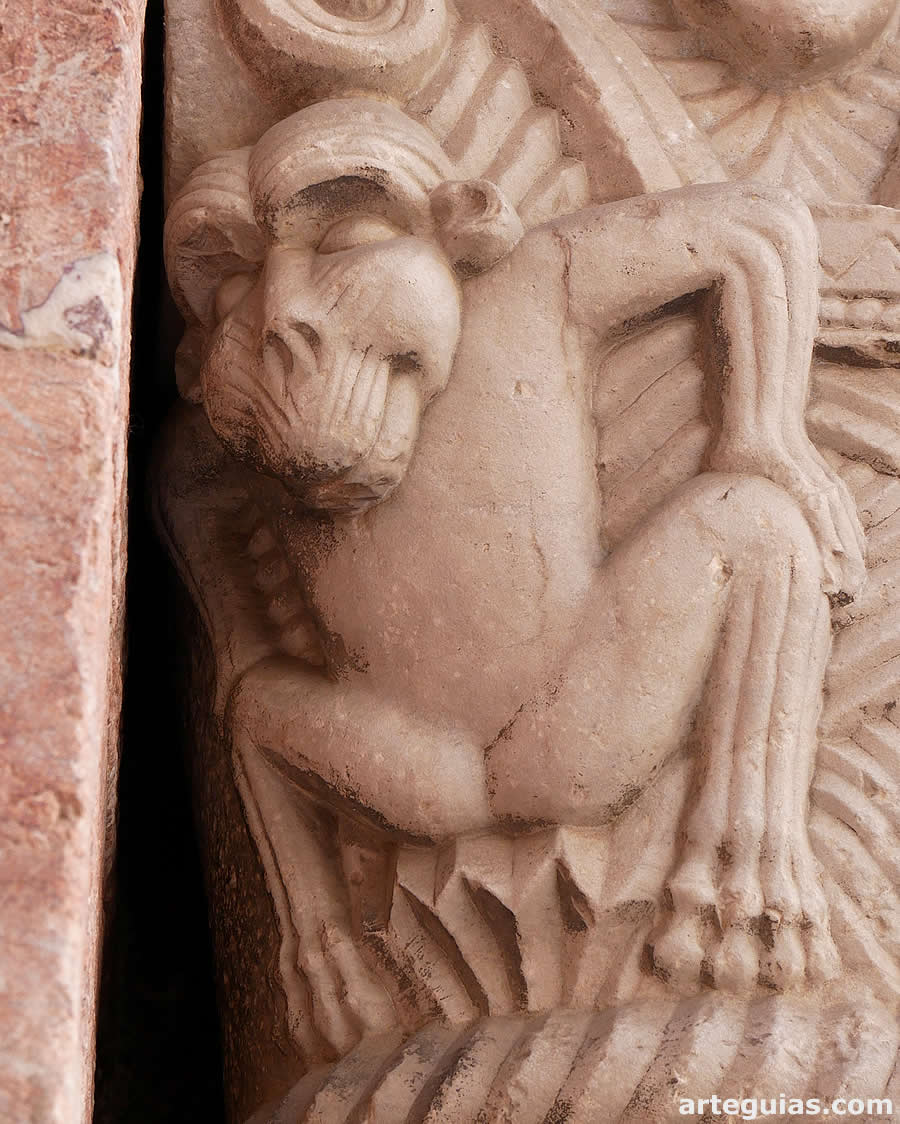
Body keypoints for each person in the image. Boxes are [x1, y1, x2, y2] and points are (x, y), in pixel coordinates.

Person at [159, 96, 865, 994]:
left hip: (576, 724)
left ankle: (752, 857)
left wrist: (767, 436)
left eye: (343, 242)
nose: (277, 317)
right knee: (254, 706)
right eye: (232, 290)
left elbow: (759, 228)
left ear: (460, 225)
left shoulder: (536, 276)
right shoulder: (214, 449)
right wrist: (230, 640)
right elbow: (186, 494)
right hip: (415, 771)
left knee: (761, 520)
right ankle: (318, 949)